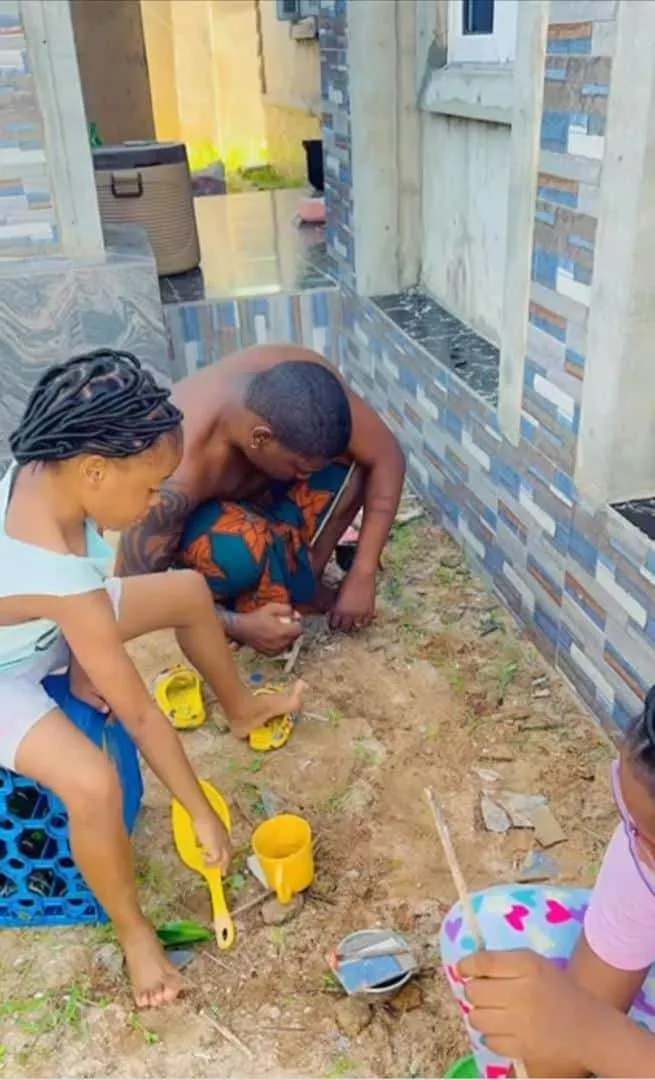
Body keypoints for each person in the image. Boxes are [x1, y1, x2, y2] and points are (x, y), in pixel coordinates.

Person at [0, 349, 304, 1008]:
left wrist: (86, 658)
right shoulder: (52, 566)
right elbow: (138, 714)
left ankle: (243, 708)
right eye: (147, 489)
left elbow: (83, 580)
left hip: (46, 622)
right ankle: (136, 936)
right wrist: (199, 810)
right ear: (95, 470)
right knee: (92, 782)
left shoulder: (48, 467)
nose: (150, 508)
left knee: (189, 593)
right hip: (6, 670)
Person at [116, 344, 405, 656]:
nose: (304, 480)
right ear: (260, 437)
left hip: (263, 498)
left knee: (354, 467)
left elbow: (387, 455)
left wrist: (362, 571)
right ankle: (241, 596)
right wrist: (235, 624)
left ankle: (302, 581)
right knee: (239, 550)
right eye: (299, 469)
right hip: (211, 525)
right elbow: (129, 597)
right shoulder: (174, 473)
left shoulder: (309, 385)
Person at [440, 687, 655, 1078]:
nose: (637, 847)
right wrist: (565, 1030)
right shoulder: (642, 850)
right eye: (633, 822)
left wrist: (596, 1034)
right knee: (484, 930)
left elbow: (592, 1033)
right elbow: (559, 1061)